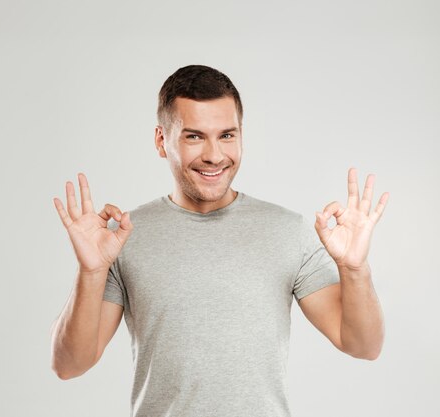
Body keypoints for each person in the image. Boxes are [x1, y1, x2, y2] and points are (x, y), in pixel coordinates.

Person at [50, 64, 389, 417]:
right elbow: (70, 365)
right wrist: (91, 273)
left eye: (227, 135)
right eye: (194, 136)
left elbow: (364, 346)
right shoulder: (124, 237)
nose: (214, 155)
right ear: (161, 141)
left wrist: (354, 269)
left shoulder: (287, 230)